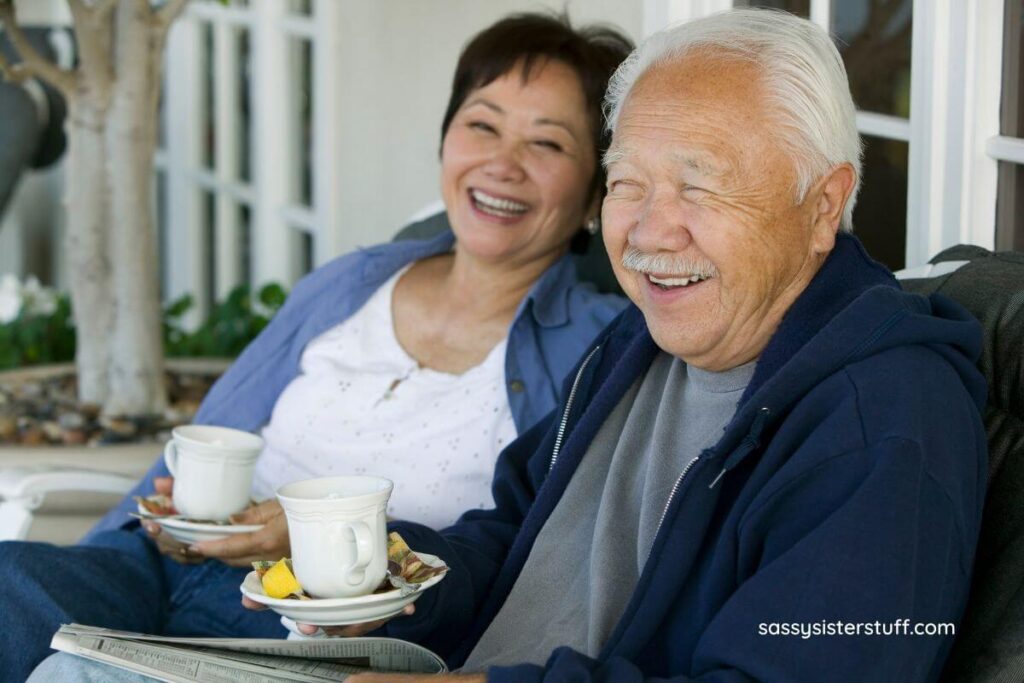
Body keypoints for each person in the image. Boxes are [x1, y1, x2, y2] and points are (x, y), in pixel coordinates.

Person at [277, 8, 986, 682]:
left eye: (701, 186)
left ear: (823, 204)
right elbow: (511, 535)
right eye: (626, 184)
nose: (650, 233)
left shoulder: (886, 420)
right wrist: (382, 579)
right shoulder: (642, 338)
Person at [0, 13, 634, 681]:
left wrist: (311, 538)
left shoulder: (595, 350)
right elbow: (212, 431)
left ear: (596, 191)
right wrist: (173, 518)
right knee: (12, 585)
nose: (503, 163)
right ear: (448, 136)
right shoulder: (356, 281)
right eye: (482, 124)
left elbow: (530, 562)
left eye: (548, 144)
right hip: (165, 569)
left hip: (310, 632)